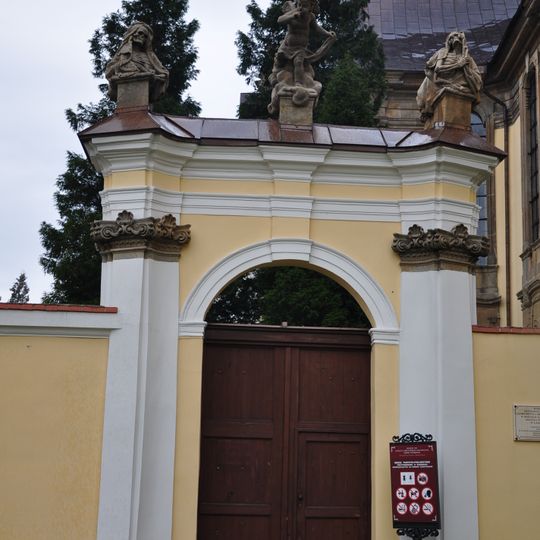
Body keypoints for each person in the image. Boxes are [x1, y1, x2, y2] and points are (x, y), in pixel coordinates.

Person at [268, 0, 336, 113]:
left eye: (304, 6)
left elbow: (317, 28)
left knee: (298, 63)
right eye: (299, 5)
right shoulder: (294, 14)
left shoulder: (310, 17)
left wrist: (327, 34)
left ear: (311, 7)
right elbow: (280, 20)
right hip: (288, 47)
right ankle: (281, 80)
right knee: (280, 65)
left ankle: (298, 83)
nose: (301, 8)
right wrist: (291, 16)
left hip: (300, 49)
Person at [417, 31, 482, 120]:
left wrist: (465, 67)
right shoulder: (443, 52)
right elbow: (438, 69)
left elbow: (477, 77)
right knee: (430, 82)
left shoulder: (468, 58)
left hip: (461, 82)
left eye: (457, 36)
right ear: (449, 42)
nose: (454, 39)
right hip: (442, 80)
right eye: (451, 37)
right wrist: (458, 65)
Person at [106, 21, 169, 102]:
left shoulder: (150, 56)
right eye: (140, 33)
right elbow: (109, 72)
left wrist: (156, 76)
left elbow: (164, 73)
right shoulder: (123, 54)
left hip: (146, 92)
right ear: (133, 34)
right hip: (126, 90)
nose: (142, 36)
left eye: (145, 36)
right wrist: (123, 64)